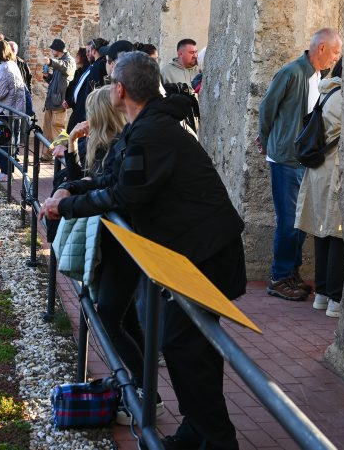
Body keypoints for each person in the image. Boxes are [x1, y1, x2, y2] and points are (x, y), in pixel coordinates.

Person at [41, 52, 246, 450]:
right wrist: (71, 189)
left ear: (119, 90)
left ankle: (219, 440)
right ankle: (197, 431)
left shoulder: (154, 132)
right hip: (192, 252)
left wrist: (65, 205)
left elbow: (126, 194)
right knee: (188, 347)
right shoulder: (147, 126)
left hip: (207, 254)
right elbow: (109, 176)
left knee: (186, 345)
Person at [257, 28, 342, 301]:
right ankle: (279, 277)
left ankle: (291, 274)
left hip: (300, 158)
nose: (336, 58)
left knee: (298, 220)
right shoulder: (292, 72)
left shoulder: (318, 76)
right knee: (288, 221)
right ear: (321, 48)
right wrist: (266, 138)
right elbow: (267, 107)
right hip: (284, 156)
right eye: (335, 52)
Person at [294, 59, 344, 318]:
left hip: (318, 170)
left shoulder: (327, 92)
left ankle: (322, 294)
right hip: (335, 169)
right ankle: (336, 298)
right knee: (337, 232)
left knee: (321, 231)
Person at [0, 39, 26, 180]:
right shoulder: (12, 65)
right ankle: (8, 171)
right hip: (13, 109)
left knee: (2, 141)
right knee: (9, 141)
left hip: (5, 110)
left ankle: (5, 173)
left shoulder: (5, 68)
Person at [66, 37, 109, 160]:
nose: (87, 53)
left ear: (95, 50)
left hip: (86, 114)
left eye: (89, 50)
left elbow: (93, 92)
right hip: (79, 111)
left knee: (77, 148)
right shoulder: (92, 65)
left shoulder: (98, 66)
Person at [41, 38, 75, 160]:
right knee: (48, 129)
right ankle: (48, 155)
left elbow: (65, 68)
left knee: (59, 129)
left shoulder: (68, 61)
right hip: (51, 101)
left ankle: (62, 156)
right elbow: (55, 81)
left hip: (60, 102)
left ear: (58, 50)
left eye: (52, 49)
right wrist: (47, 77)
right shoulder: (59, 61)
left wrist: (51, 62)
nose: (51, 50)